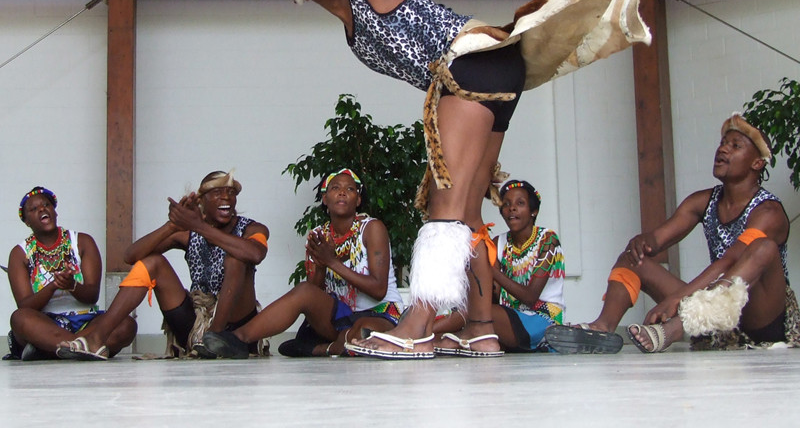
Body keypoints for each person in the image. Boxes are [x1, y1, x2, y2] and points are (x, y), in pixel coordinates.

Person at [280, 0, 655, 359]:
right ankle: (481, 328)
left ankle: (416, 325)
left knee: (446, 208)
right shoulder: (353, 37)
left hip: (471, 64)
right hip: (496, 72)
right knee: (472, 216)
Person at [545, 113, 796, 354]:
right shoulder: (703, 201)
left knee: (763, 248)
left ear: (757, 163)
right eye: (722, 143)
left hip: (761, 318)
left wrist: (677, 300)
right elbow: (657, 239)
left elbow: (730, 261)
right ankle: (602, 327)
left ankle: (675, 328)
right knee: (634, 257)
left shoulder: (769, 211)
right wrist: (643, 242)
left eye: (735, 145)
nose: (723, 149)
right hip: (716, 315)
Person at [54, 170, 269, 359]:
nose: (226, 197)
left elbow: (255, 253)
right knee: (152, 262)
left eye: (231, 192)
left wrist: (200, 227)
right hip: (196, 324)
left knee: (237, 256)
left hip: (236, 325)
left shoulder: (252, 228)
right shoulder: (188, 234)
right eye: (217, 193)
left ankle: (216, 338)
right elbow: (131, 255)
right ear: (201, 202)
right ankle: (97, 338)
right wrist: (172, 226)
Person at [202, 168, 404, 358]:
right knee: (304, 291)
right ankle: (238, 340)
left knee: (361, 334)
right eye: (335, 188)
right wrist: (322, 266)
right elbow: (312, 293)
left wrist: (332, 262)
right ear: (325, 198)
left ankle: (321, 348)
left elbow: (378, 289)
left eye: (350, 189)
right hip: (342, 315)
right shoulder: (318, 235)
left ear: (358, 199)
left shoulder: (372, 228)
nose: (342, 192)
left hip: (381, 313)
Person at [434, 180, 565, 354]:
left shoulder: (548, 240)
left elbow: (530, 297)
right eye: (506, 204)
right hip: (507, 320)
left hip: (544, 322)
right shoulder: (499, 243)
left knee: (480, 313)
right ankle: (430, 334)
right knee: (475, 309)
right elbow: (491, 296)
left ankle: (424, 331)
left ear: (534, 211)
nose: (512, 208)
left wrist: (489, 270)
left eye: (520, 203)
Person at [5, 186, 136, 361]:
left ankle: (50, 349)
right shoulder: (20, 254)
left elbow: (92, 296)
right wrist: (52, 286)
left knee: (126, 324)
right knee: (19, 318)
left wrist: (72, 285)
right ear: (26, 221)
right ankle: (85, 346)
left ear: (55, 212)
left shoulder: (82, 242)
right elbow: (25, 306)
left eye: (46, 205)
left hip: (86, 321)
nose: (42, 209)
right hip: (47, 323)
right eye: (33, 209)